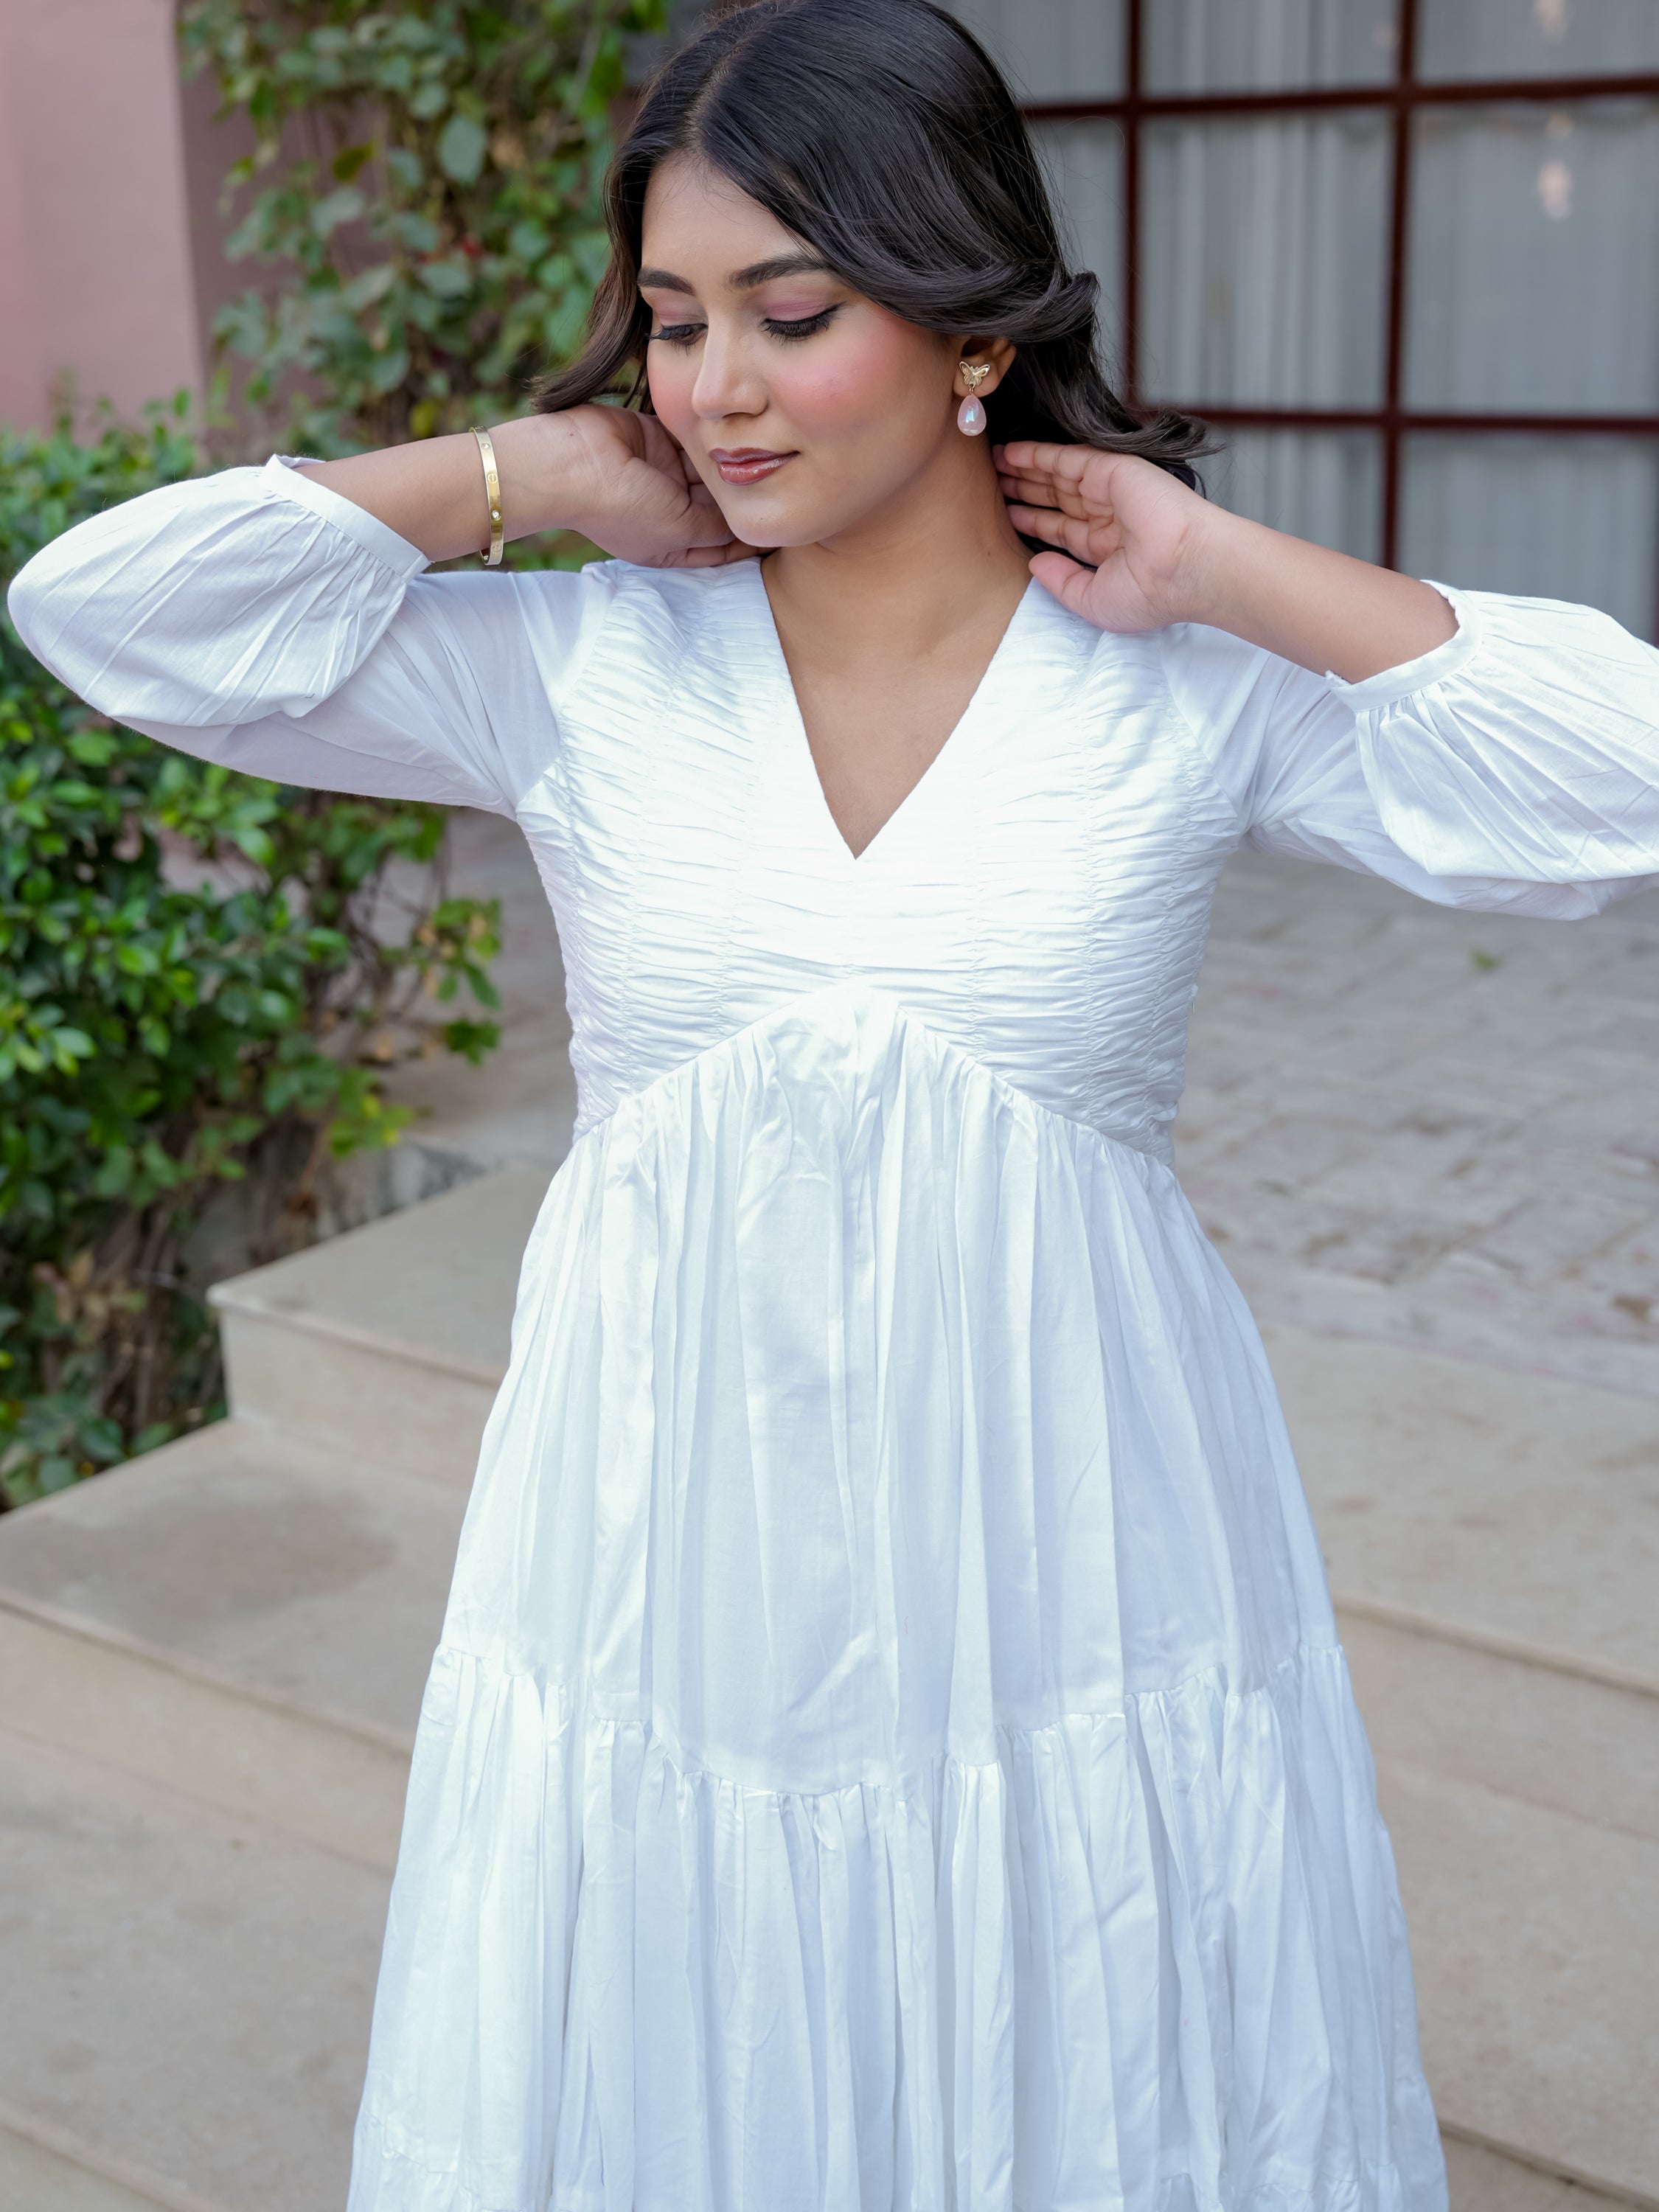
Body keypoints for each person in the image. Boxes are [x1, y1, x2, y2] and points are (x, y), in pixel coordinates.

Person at [11, 0, 1659, 2203]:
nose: (717, 385)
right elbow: (110, 612)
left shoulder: (1175, 683)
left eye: (792, 316)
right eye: (675, 319)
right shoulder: (582, 669)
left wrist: (1219, 566)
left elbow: (1617, 776)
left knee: (1070, 2025)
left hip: (1072, 1537)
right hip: (667, 1540)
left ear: (972, 325)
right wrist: (533, 476)